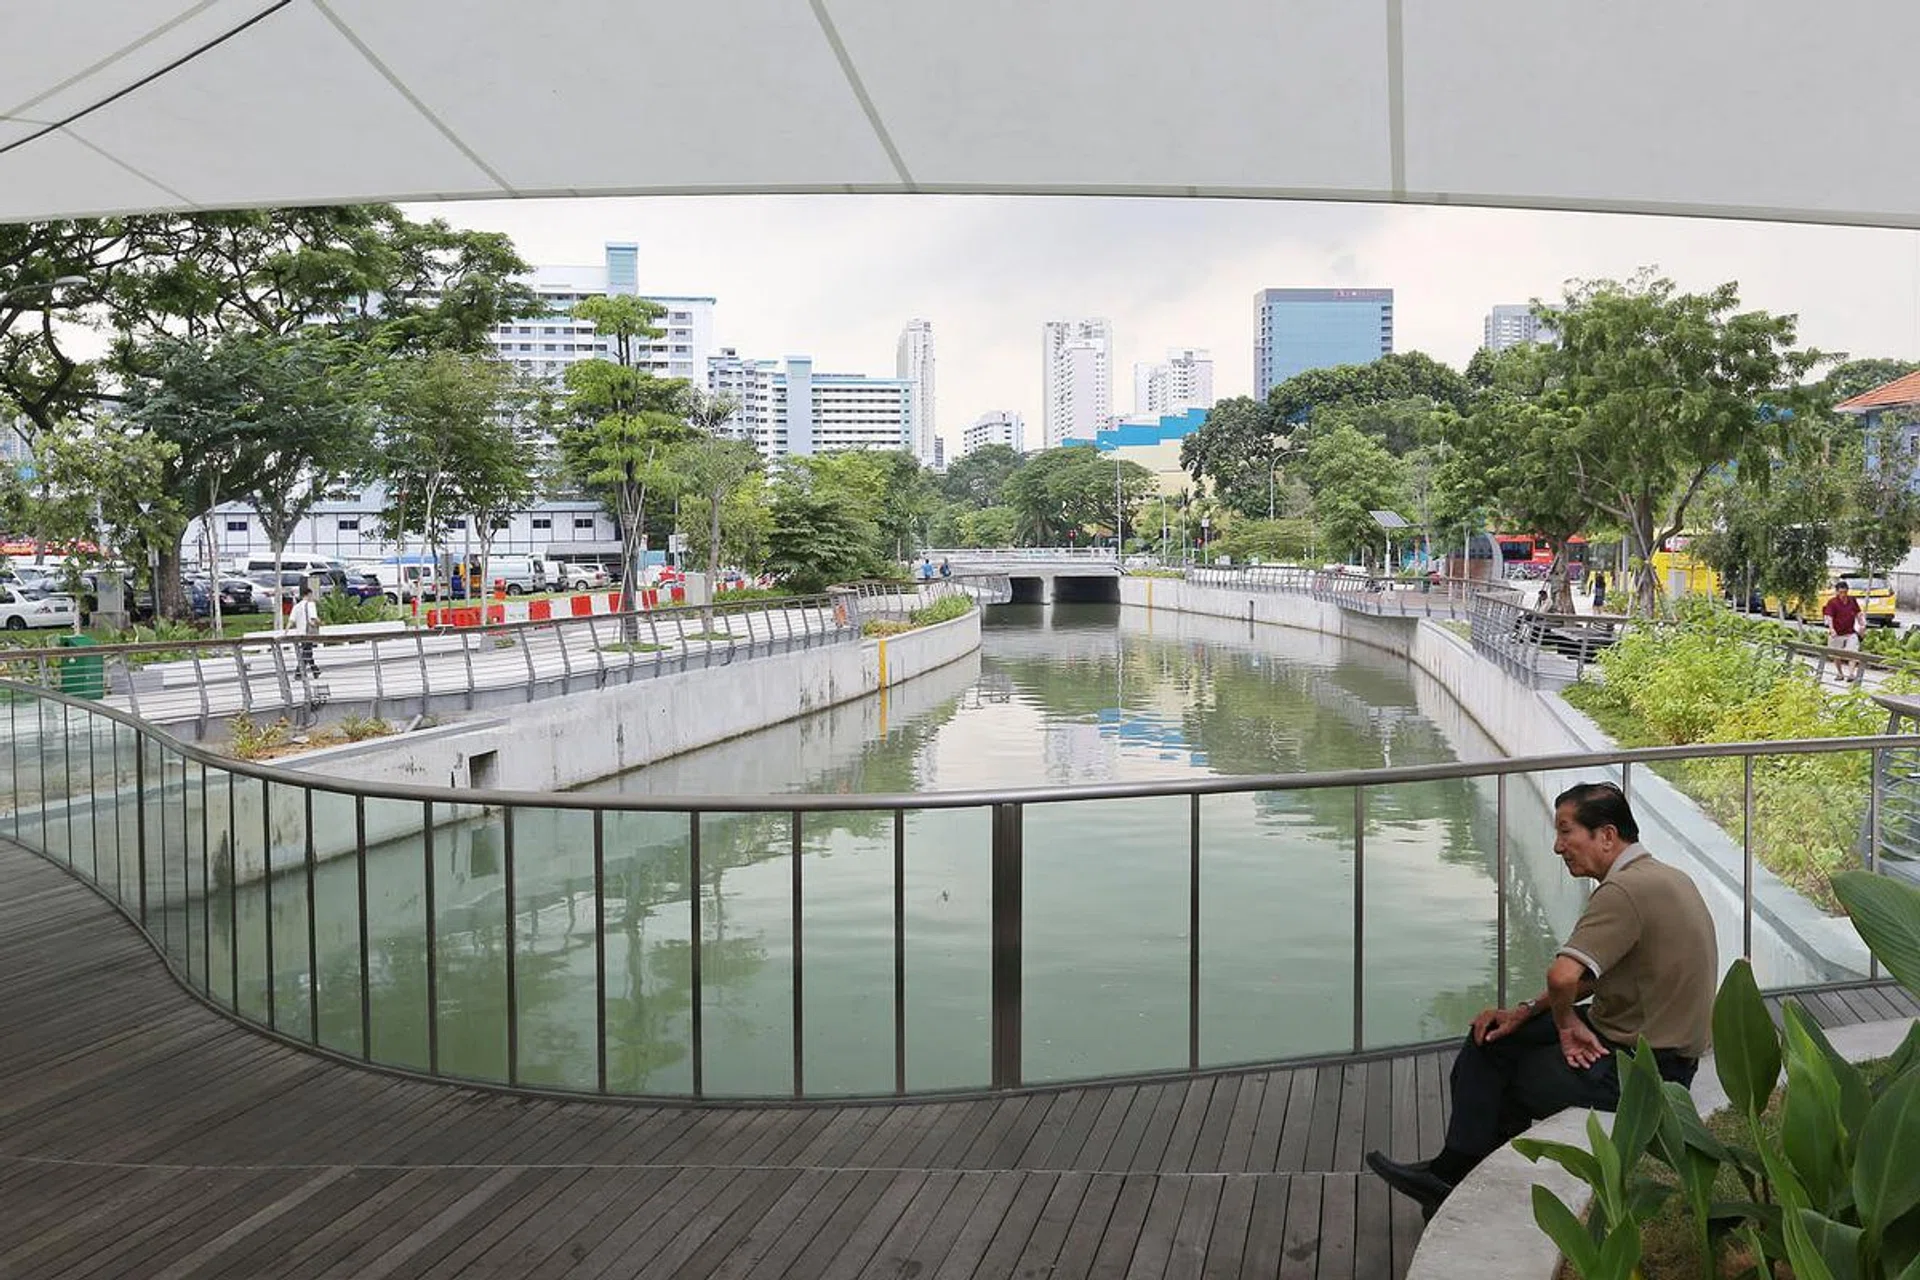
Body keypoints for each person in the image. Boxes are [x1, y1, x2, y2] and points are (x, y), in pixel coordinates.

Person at [1367, 782, 1716, 1218]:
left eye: (1566, 831)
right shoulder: (1662, 877)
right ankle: (1453, 1173)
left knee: (1504, 1078)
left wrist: (1568, 1028)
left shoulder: (1623, 892)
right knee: (1492, 1036)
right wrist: (1525, 1013)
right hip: (1647, 1042)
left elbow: (1564, 975)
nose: (1557, 846)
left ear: (1607, 835)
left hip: (1643, 1071)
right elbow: (1583, 981)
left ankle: (1462, 1185)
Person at [1821, 579, 1864, 681]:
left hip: (1850, 632)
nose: (1843, 595)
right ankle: (1840, 673)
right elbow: (1829, 616)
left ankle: (1851, 674)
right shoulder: (1832, 602)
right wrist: (1831, 629)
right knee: (1836, 655)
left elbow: (1858, 613)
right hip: (1837, 633)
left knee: (1853, 652)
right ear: (1836, 592)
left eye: (1845, 592)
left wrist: (1862, 624)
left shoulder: (1852, 600)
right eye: (1840, 592)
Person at [287, 584, 322, 676]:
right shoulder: (311, 604)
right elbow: (313, 618)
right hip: (308, 632)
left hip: (300, 633)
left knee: (307, 651)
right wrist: (320, 623)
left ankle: (315, 670)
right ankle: (299, 673)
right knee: (307, 652)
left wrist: (286, 631)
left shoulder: (296, 606)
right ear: (309, 594)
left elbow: (291, 620)